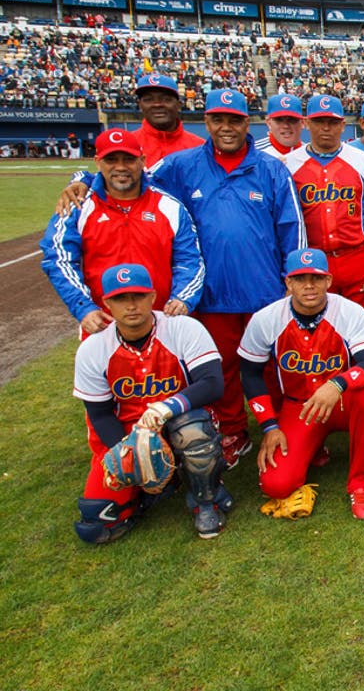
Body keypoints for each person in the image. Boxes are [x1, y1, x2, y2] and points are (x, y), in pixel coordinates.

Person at [58, 89, 307, 470]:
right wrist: (83, 180)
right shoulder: (180, 165)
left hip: (265, 293)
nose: (226, 127)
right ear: (206, 121)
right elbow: (125, 174)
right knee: (221, 369)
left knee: (276, 366)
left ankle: (284, 427)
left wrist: (293, 279)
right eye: (218, 119)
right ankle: (234, 431)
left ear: (247, 123)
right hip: (210, 295)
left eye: (235, 120)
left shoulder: (272, 169)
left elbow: (293, 229)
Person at [71, 263, 228, 542]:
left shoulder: (182, 328)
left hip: (179, 419)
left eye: (138, 296)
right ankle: (150, 487)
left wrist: (167, 406)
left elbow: (212, 383)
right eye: (120, 298)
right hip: (128, 433)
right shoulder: (93, 348)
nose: (131, 305)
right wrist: (128, 453)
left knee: (192, 429)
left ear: (153, 297)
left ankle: (207, 500)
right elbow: (99, 414)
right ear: (107, 303)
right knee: (96, 522)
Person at [238, 248, 364, 520]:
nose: (309, 285)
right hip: (300, 407)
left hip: (342, 401)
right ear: (288, 283)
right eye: (300, 278)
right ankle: (313, 448)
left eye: (316, 278)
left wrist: (338, 384)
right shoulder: (267, 319)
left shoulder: (349, 311)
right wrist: (269, 426)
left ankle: (360, 482)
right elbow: (250, 373)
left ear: (328, 281)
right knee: (276, 484)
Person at [42, 129, 203, 335]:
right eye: (111, 160)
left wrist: (182, 298)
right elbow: (58, 260)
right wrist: (83, 308)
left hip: (163, 323)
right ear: (98, 162)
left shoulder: (169, 206)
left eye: (128, 159)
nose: (120, 167)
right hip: (102, 324)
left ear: (142, 161)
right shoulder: (77, 207)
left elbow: (189, 261)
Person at [284, 94, 364, 317]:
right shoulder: (289, 164)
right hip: (312, 260)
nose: (326, 128)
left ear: (343, 125)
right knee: (319, 329)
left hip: (358, 258)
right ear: (306, 123)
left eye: (333, 122)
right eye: (319, 121)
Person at [129, 73, 204, 167]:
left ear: (179, 105)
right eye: (148, 99)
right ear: (140, 105)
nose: (157, 105)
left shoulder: (200, 148)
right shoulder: (127, 145)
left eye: (166, 99)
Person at [255, 93, 305, 160]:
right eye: (279, 120)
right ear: (269, 123)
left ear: (302, 123)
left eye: (292, 120)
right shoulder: (252, 153)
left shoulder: (312, 155)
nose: (286, 126)